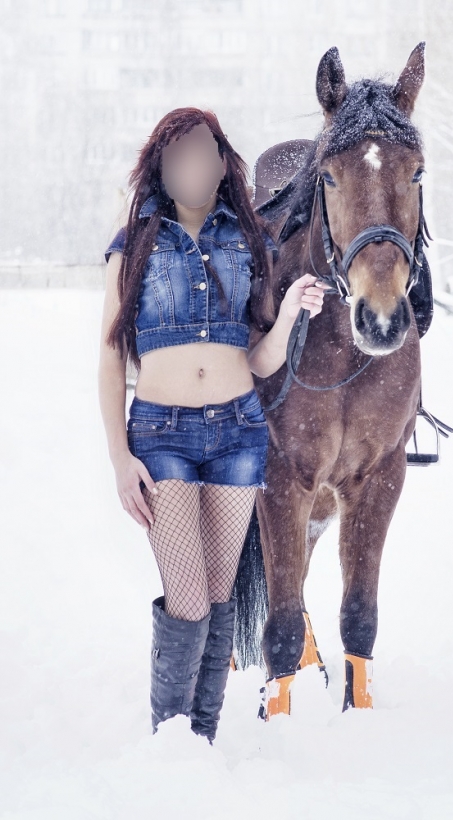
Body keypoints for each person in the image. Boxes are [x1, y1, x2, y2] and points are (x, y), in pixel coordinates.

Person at [97, 107, 325, 743]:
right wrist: (119, 458)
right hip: (161, 436)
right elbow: (111, 360)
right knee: (189, 599)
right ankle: (171, 741)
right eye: (177, 156)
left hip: (237, 434)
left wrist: (290, 314)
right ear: (161, 169)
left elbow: (258, 360)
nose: (191, 165)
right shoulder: (133, 243)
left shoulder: (250, 242)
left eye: (202, 152)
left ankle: (200, 742)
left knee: (221, 599)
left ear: (223, 164)